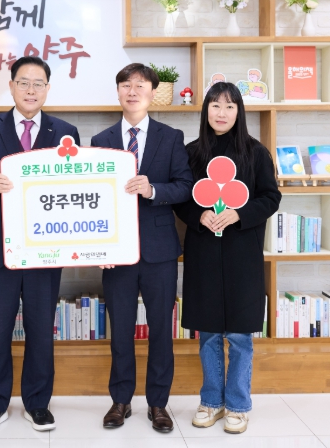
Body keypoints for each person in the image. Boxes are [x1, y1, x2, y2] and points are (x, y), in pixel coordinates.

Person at [0, 56, 80, 433]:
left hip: (45, 248)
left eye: (38, 83)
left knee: (41, 329)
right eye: (24, 83)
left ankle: (37, 403)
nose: (31, 90)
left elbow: (76, 187)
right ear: (12, 86)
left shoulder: (66, 132)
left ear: (48, 89)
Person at [173, 82, 281, 434]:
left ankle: (237, 405)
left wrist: (239, 214)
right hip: (203, 253)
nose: (222, 113)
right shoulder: (191, 153)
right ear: (205, 110)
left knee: (239, 336)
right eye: (215, 105)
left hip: (242, 255)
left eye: (230, 106)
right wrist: (199, 215)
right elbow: (180, 198)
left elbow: (271, 197)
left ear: (239, 112)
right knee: (207, 334)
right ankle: (211, 401)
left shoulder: (256, 152)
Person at [90, 63, 192, 433]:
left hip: (159, 249)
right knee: (120, 329)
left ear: (152, 92)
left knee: (161, 329)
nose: (132, 91)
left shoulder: (171, 136)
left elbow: (184, 186)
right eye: (126, 85)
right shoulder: (100, 139)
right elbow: (93, 198)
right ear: (118, 91)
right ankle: (120, 400)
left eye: (140, 85)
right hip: (116, 251)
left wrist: (153, 190)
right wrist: (99, 248)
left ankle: (158, 403)